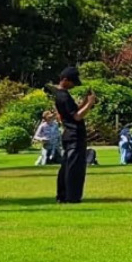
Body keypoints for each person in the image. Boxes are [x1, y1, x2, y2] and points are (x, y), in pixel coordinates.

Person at [52, 67, 96, 204]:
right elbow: (76, 117)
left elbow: (73, 111)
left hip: (68, 134)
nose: (73, 85)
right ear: (65, 80)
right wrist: (90, 103)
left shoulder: (60, 95)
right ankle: (72, 196)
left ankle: (63, 194)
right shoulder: (64, 96)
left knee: (67, 166)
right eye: (72, 82)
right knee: (75, 168)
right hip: (75, 134)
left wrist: (84, 102)